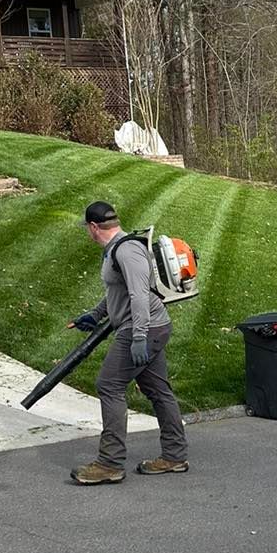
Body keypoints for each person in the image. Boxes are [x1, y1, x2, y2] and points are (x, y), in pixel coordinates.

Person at [68, 201, 189, 486]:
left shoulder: (128, 250)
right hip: (148, 328)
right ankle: (174, 456)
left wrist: (137, 338)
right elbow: (118, 291)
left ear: (94, 227)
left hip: (143, 328)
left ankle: (110, 463)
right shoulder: (117, 250)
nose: (87, 232)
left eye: (87, 227)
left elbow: (138, 296)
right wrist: (95, 315)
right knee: (158, 389)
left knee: (109, 385)